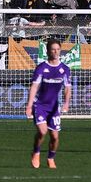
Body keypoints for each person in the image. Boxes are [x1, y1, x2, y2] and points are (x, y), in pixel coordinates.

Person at [25, 39, 71, 169]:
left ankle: (50, 158)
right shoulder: (41, 68)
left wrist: (66, 103)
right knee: (42, 131)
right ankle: (36, 152)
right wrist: (29, 105)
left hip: (54, 107)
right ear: (48, 51)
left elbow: (67, 88)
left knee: (55, 137)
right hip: (39, 105)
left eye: (58, 49)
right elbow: (34, 87)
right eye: (53, 49)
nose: (56, 52)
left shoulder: (65, 69)